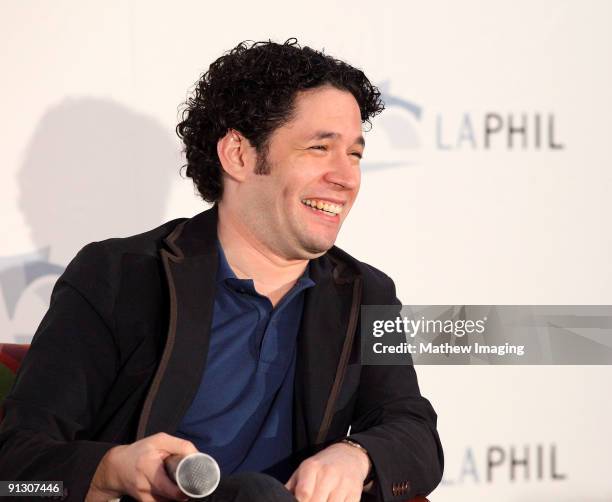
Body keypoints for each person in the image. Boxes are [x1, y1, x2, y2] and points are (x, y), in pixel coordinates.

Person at [0, 39, 443, 502]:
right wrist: (111, 470)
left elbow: (414, 432)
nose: (346, 176)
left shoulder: (364, 292)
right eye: (319, 148)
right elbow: (16, 471)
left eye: (354, 154)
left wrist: (357, 455)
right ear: (238, 154)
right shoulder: (118, 276)